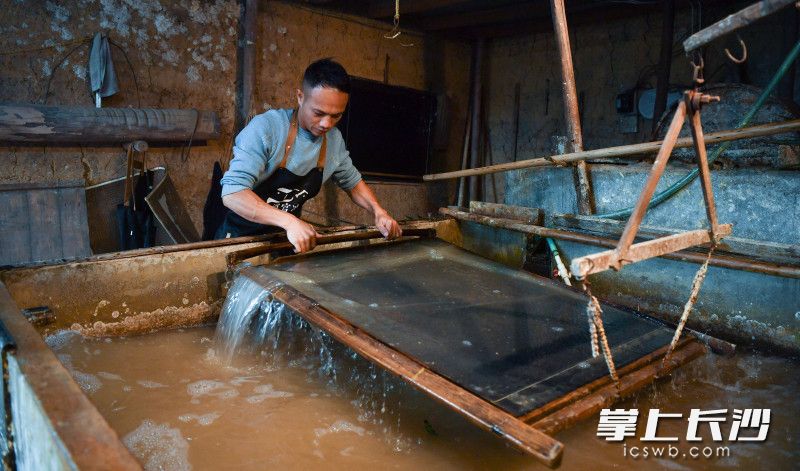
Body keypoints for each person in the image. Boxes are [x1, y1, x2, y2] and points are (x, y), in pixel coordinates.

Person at [215, 58, 402, 252]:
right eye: (318, 113)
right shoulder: (267, 128)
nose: (326, 124)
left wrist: (378, 211)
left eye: (336, 116)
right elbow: (233, 193)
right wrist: (290, 221)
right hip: (240, 239)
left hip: (285, 240)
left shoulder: (334, 140)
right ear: (300, 96)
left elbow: (353, 182)